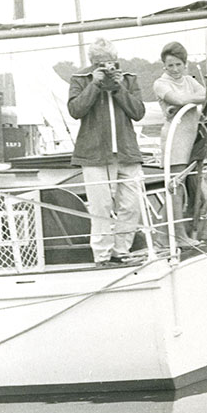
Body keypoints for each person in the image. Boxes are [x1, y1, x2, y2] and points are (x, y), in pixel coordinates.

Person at [67, 38, 146, 267]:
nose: (108, 67)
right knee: (101, 207)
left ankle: (121, 251)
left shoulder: (128, 79)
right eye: (101, 63)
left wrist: (118, 88)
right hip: (93, 155)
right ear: (93, 63)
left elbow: (138, 112)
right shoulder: (80, 79)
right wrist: (95, 85)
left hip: (126, 152)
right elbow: (75, 110)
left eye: (111, 62)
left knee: (131, 205)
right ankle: (101, 256)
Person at [153, 41, 207, 244]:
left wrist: (192, 99)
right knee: (176, 189)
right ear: (164, 66)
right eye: (170, 65)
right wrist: (194, 99)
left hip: (192, 141)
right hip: (175, 140)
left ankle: (163, 236)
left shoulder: (189, 81)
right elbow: (177, 100)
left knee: (190, 191)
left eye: (178, 65)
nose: (175, 70)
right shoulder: (160, 83)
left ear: (185, 65)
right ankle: (179, 236)